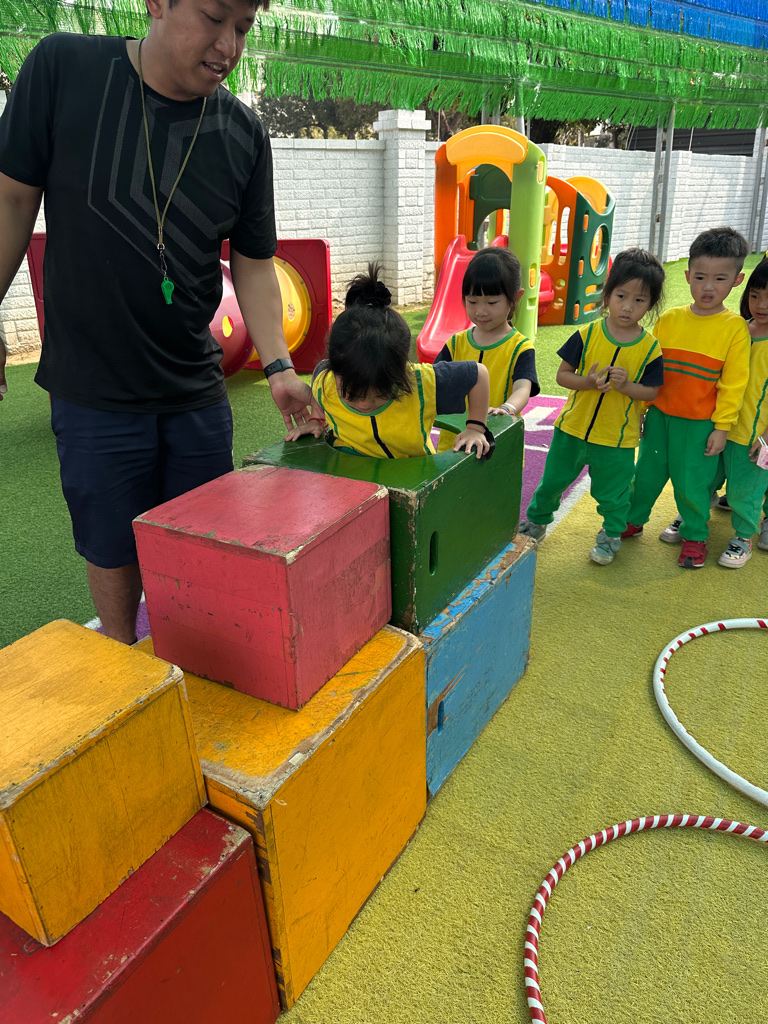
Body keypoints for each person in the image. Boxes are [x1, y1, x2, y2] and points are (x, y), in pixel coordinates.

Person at [0, 2, 317, 645]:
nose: (229, 46)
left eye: (244, 27)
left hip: (195, 389)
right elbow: (10, 199)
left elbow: (254, 263)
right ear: (158, 3)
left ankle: (192, 668)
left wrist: (280, 367)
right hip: (92, 387)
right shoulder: (64, 69)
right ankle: (124, 660)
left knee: (201, 549)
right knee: (111, 547)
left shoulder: (243, 134)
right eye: (214, 17)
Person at [519, 248, 665, 565]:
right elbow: (562, 376)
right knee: (551, 482)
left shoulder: (650, 348)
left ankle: (611, 536)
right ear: (607, 294)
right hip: (571, 430)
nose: (628, 306)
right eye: (621, 296)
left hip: (616, 439)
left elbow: (651, 392)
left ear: (651, 304)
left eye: (640, 300)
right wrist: (587, 381)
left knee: (613, 494)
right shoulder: (587, 333)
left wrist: (626, 386)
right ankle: (536, 522)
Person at [622, 227, 751, 568]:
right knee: (645, 475)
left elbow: (734, 384)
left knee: (692, 485)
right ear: (687, 276)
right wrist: (641, 409)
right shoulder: (670, 319)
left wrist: (722, 427)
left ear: (737, 280)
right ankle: (632, 521)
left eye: (720, 279)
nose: (708, 287)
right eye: (700, 277)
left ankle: (694, 537)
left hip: (699, 426)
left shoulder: (734, 328)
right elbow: (650, 370)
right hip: (659, 418)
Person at [285, 263, 492, 459]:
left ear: (401, 372)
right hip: (352, 471)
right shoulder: (327, 381)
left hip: (410, 473)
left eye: (380, 394)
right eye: (351, 394)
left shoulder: (422, 383)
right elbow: (320, 377)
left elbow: (478, 374)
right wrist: (317, 419)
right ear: (335, 370)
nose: (364, 403)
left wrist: (475, 428)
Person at [433, 247, 539, 452]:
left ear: (515, 298)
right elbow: (433, 380)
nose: (481, 311)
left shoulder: (520, 347)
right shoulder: (455, 343)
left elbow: (523, 388)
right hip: (454, 444)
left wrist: (507, 408)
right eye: (472, 301)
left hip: (497, 442)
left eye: (491, 302)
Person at [714, 257, 768, 566]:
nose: (761, 305)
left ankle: (743, 537)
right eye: (755, 295)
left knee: (745, 492)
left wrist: (767, 438)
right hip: (720, 425)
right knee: (705, 477)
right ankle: (694, 515)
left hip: (753, 436)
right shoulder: (738, 329)